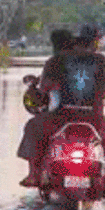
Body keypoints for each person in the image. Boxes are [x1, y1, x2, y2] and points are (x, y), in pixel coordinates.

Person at [32, 24, 105, 193]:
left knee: (34, 129)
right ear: (95, 42)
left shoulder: (57, 60)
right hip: (93, 118)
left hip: (61, 117)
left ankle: (34, 173)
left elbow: (44, 89)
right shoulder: (101, 61)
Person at [17, 29, 76, 187]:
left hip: (59, 118)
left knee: (32, 126)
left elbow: (43, 93)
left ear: (55, 45)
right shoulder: (86, 63)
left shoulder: (54, 63)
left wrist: (35, 86)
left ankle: (33, 174)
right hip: (89, 117)